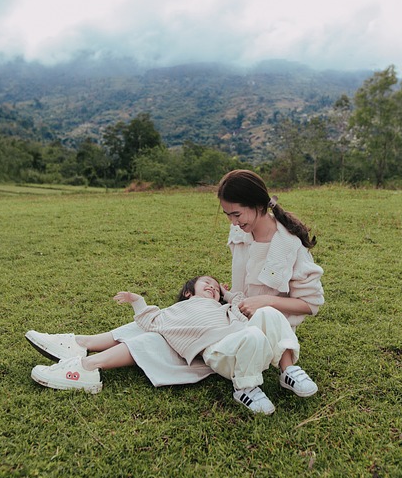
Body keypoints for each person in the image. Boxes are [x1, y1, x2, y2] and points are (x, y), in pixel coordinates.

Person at [26, 169, 324, 396]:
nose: (233, 222)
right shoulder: (241, 233)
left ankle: (88, 367)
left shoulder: (289, 245)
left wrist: (264, 301)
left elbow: (310, 304)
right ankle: (80, 343)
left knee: (166, 336)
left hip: (261, 331)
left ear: (258, 204)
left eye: (237, 214)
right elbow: (245, 289)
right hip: (234, 315)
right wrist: (225, 295)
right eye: (227, 215)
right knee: (172, 318)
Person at [29, 275, 314, 414]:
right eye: (207, 283)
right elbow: (149, 320)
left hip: (244, 345)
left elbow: (242, 303)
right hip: (220, 353)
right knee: (252, 336)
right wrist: (137, 300)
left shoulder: (228, 310)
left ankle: (288, 370)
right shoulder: (175, 311)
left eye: (216, 287)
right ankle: (246, 389)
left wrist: (225, 295)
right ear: (188, 292)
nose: (213, 287)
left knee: (268, 312)